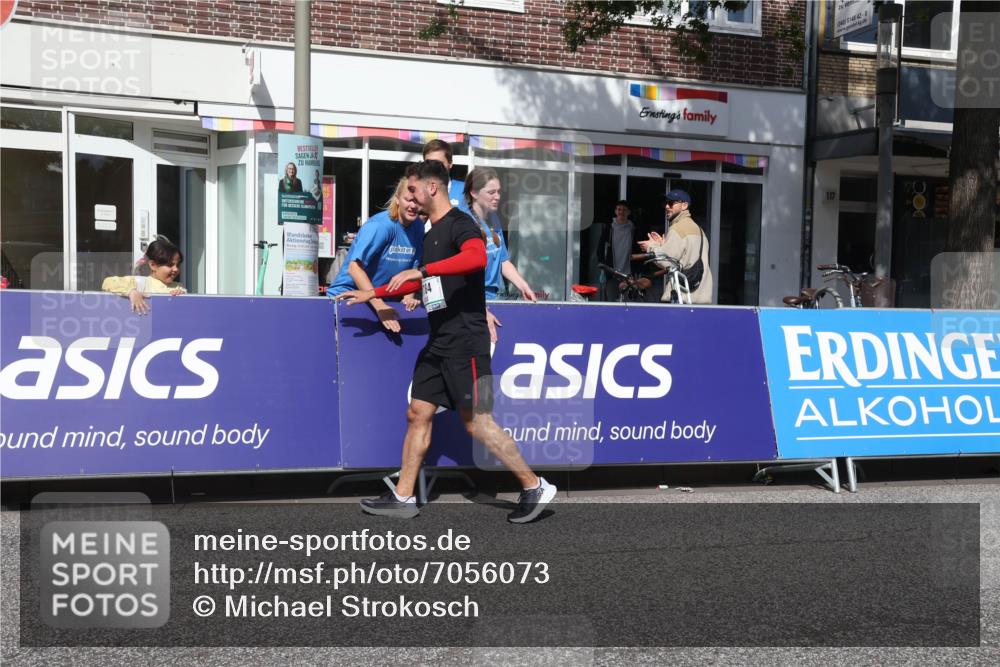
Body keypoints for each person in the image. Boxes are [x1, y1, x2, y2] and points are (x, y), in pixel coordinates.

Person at [335, 160, 556, 524]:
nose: (412, 195)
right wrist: (371, 293)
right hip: (439, 341)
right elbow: (419, 282)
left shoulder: (460, 224)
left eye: (414, 188)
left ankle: (533, 485)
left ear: (431, 188)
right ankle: (404, 496)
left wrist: (423, 270)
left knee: (477, 423)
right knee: (417, 413)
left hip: (466, 341)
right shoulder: (431, 230)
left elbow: (476, 257)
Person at [326, 178, 423, 332]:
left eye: (417, 201)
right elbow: (354, 268)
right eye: (408, 200)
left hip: (382, 301)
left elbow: (412, 270)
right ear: (397, 199)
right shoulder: (381, 226)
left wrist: (409, 296)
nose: (413, 206)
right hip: (348, 297)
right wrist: (379, 306)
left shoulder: (418, 227)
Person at [464, 167, 536, 302]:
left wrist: (523, 286)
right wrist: (481, 309)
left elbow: (503, 261)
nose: (497, 197)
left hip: (497, 296)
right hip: (475, 299)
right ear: (474, 192)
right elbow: (460, 277)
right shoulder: (464, 223)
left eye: (498, 191)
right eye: (491, 192)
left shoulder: (494, 218)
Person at [640, 189, 713, 304]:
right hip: (701, 295)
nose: (667, 207)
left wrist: (651, 247)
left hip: (682, 297)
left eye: (671, 203)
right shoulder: (698, 230)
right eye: (666, 203)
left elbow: (666, 262)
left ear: (684, 205)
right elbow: (684, 257)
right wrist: (662, 246)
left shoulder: (677, 229)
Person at [102, 236, 186, 314]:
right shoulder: (140, 283)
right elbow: (108, 282)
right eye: (170, 265)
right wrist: (131, 292)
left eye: (177, 265)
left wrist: (181, 297)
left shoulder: (178, 287)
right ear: (153, 265)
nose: (176, 269)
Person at [596, 200, 647, 301]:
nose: (621, 212)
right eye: (619, 209)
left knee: (629, 303)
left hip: (630, 275)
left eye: (624, 210)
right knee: (611, 302)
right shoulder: (610, 229)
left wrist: (639, 270)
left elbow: (639, 251)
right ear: (615, 211)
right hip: (612, 273)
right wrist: (603, 266)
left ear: (628, 212)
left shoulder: (633, 229)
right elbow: (600, 248)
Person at [422, 139, 465, 210]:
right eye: (429, 163)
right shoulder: (416, 190)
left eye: (439, 163)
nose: (434, 168)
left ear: (450, 163)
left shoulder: (464, 191)